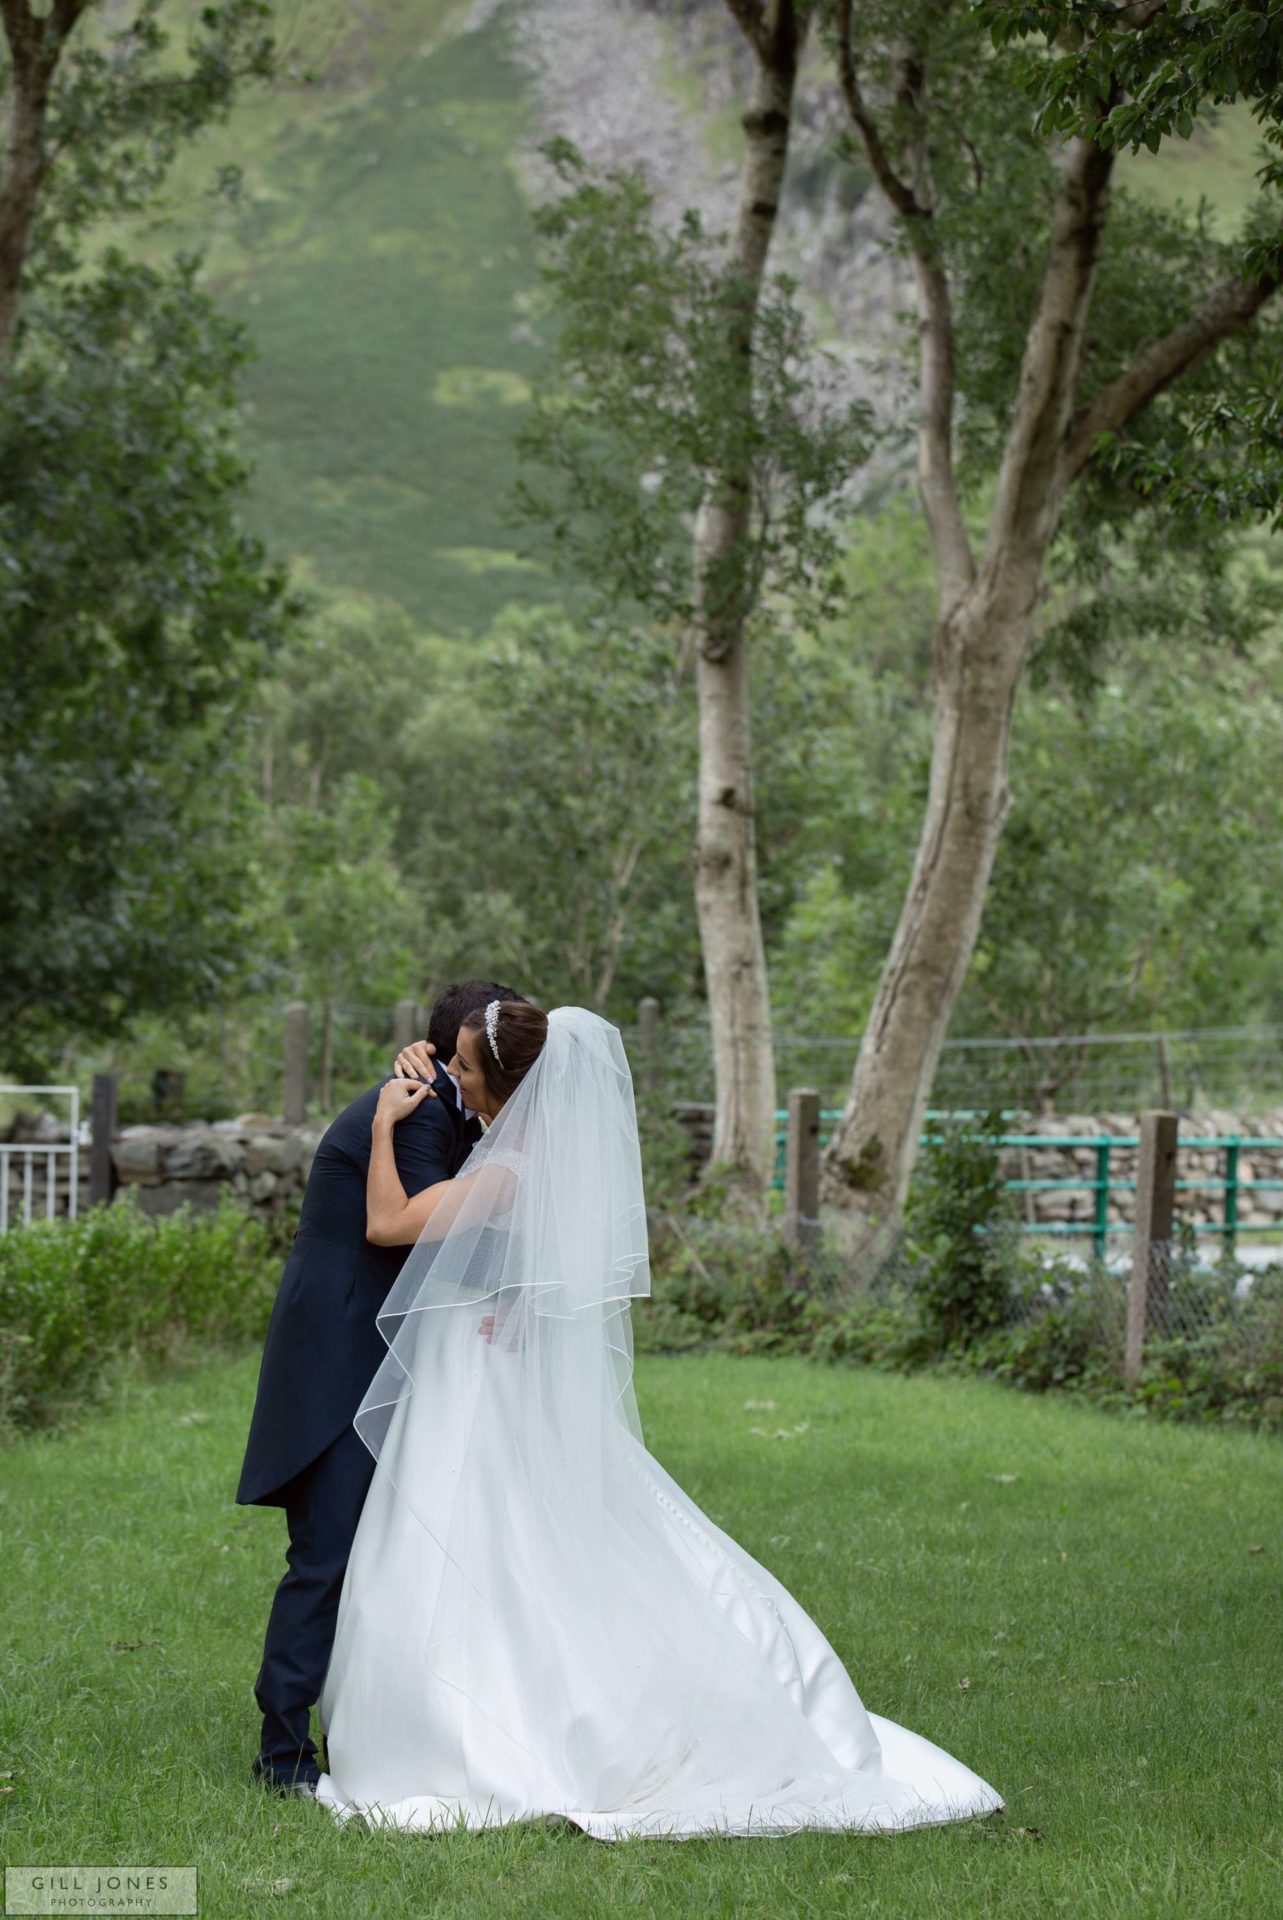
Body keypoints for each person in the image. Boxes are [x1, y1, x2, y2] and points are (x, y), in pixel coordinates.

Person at [313, 1002, 1005, 1839]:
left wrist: (385, 1126)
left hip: (480, 1384)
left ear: (506, 1087)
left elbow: (387, 1223)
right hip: (488, 1370)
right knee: (505, 1538)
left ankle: (485, 1730)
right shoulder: (542, 1162)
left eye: (463, 1068)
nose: (452, 1080)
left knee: (480, 1539)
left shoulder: (507, 1173)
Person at [235, 978, 525, 1795]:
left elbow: (464, 1233)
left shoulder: (457, 1113)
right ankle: (281, 1754)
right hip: (337, 1355)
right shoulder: (417, 1111)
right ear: (444, 1054)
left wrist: (515, 1294)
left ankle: (382, 1723)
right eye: (478, 1058)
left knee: (383, 1554)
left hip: (392, 1359)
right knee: (324, 1554)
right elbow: (405, 1234)